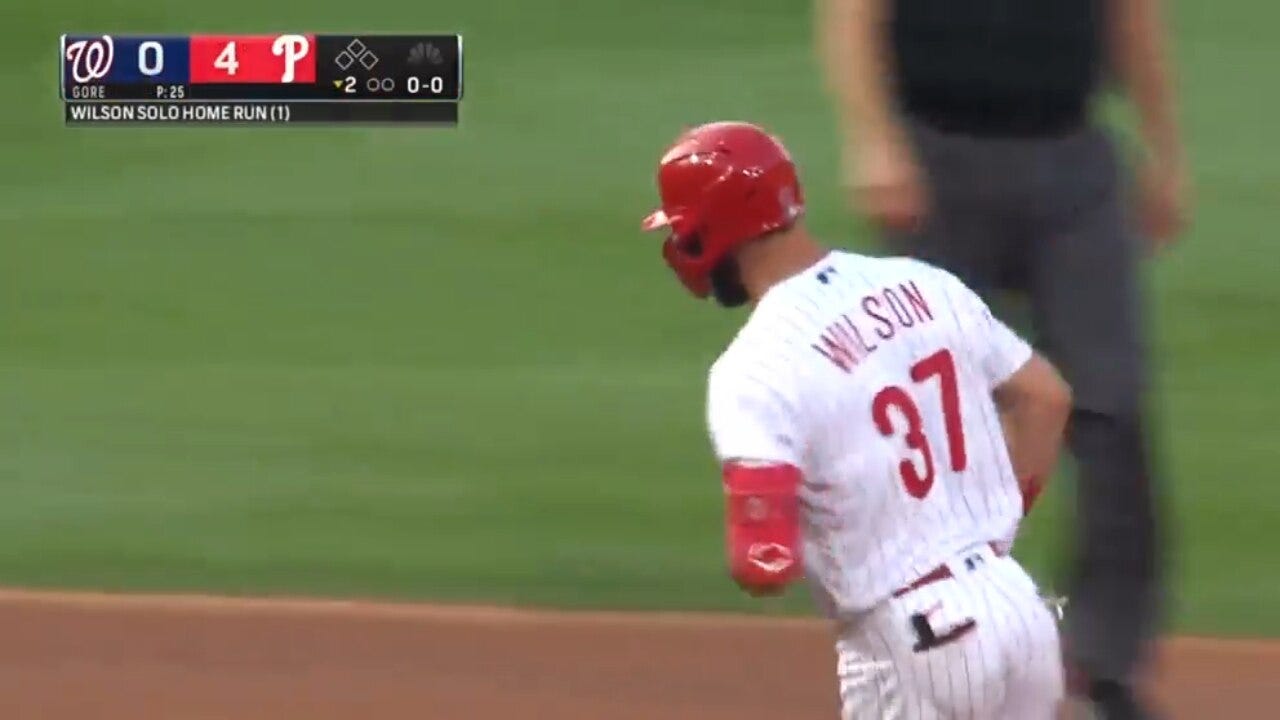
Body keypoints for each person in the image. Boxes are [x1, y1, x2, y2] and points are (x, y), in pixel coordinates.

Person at [818, 0, 1189, 715]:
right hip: (938, 159)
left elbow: (1132, 14)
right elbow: (852, 11)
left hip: (1074, 163)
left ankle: (1101, 673)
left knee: (1110, 404)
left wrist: (1162, 145)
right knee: (938, 428)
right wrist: (873, 137)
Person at [642, 121, 1073, 719]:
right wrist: (989, 531)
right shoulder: (923, 283)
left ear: (708, 232)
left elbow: (763, 562)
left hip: (919, 644)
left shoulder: (755, 367)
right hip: (1017, 607)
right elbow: (1045, 399)